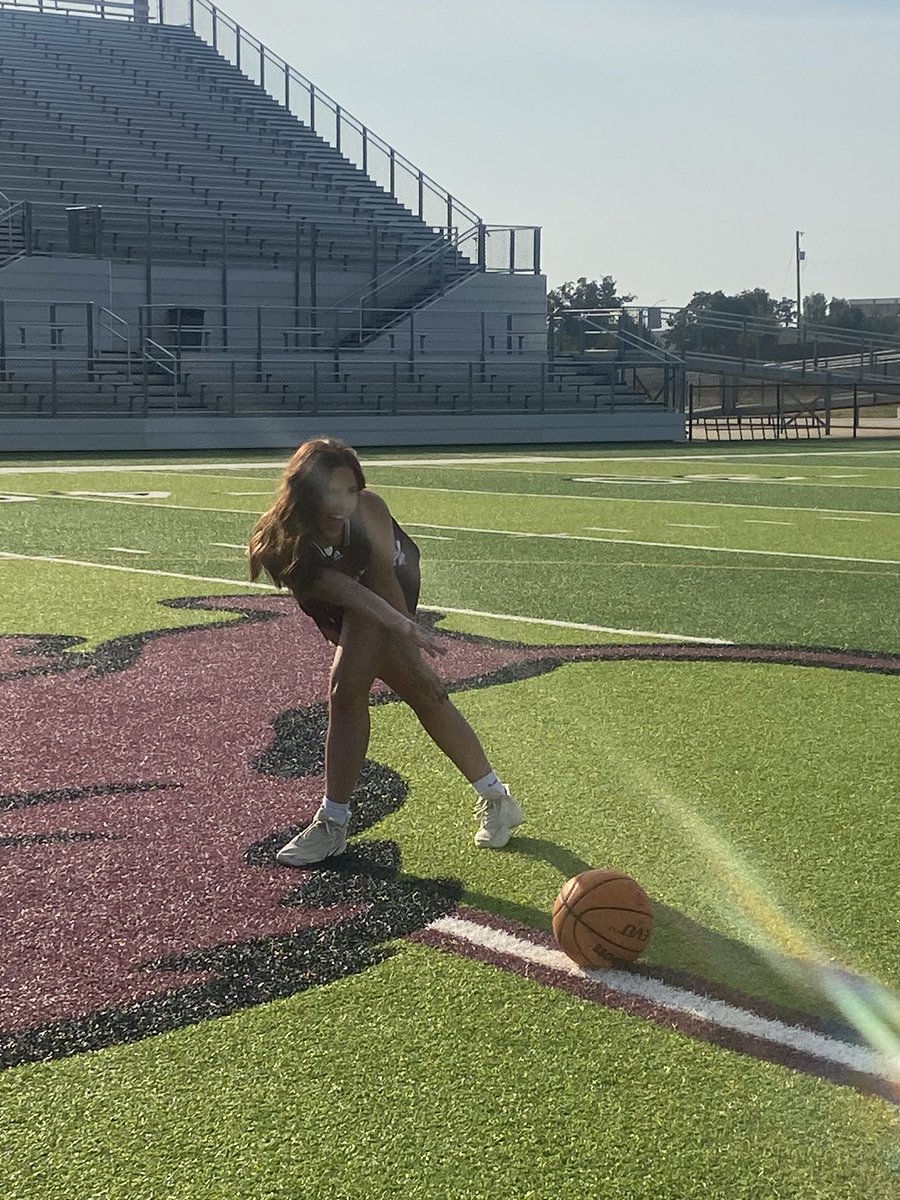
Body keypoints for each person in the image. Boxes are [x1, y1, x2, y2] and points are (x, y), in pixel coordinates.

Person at [248, 436, 523, 866]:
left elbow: (381, 582)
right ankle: (498, 798)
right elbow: (343, 592)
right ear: (305, 492)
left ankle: (333, 823)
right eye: (330, 492)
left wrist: (406, 632)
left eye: (350, 490)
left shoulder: (369, 510)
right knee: (422, 691)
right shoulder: (280, 542)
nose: (342, 504)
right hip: (347, 601)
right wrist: (405, 642)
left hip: (392, 582)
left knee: (345, 689)